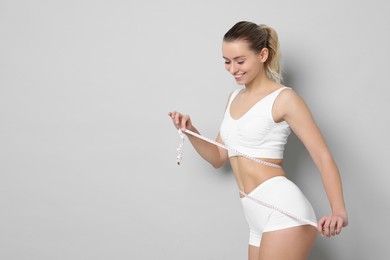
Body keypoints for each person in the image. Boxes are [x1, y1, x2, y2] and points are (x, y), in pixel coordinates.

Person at [168, 21, 348, 260]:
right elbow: (219, 158)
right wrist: (191, 131)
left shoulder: (284, 98)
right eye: (226, 61)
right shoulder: (233, 98)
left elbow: (322, 156)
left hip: (283, 210)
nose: (233, 69)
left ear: (262, 55)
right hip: (254, 215)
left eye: (240, 61)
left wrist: (339, 212)